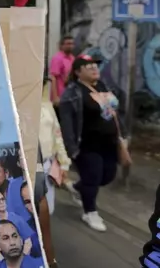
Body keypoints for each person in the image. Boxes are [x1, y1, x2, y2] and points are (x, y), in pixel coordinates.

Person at [58, 54, 127, 232]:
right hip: (87, 145)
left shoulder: (105, 86)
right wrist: (71, 148)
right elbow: (66, 123)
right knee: (93, 178)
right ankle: (90, 212)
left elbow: (116, 113)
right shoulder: (73, 93)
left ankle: (77, 187)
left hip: (110, 143)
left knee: (107, 176)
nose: (95, 69)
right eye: (89, 67)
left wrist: (123, 137)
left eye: (96, 66)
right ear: (78, 72)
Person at [39, 77, 71, 214]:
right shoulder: (13, 104)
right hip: (24, 167)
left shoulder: (46, 105)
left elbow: (57, 135)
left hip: (47, 164)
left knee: (47, 210)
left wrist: (64, 163)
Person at [48, 35, 74, 116]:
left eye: (72, 44)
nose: (71, 46)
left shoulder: (72, 58)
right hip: (60, 96)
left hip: (70, 96)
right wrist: (55, 97)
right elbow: (53, 78)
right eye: (68, 44)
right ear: (62, 45)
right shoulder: (57, 58)